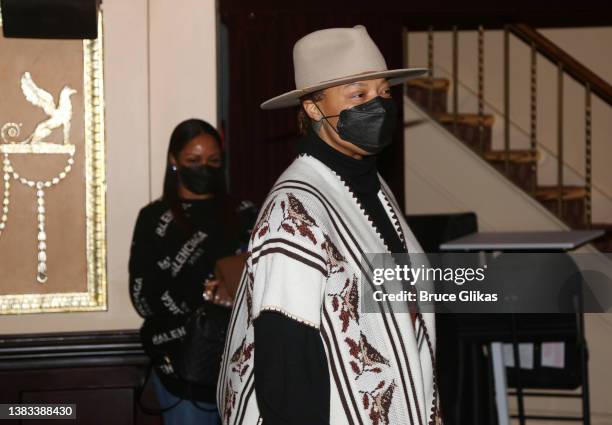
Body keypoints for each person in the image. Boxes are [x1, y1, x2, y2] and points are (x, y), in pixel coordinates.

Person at [217, 25, 441, 425]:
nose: (380, 104)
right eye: (359, 95)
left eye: (384, 92)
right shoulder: (294, 206)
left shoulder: (369, 185)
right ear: (313, 108)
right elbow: (286, 359)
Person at [129, 119, 257, 425]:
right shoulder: (154, 218)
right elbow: (142, 297)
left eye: (213, 161)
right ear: (174, 161)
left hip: (243, 361)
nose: (204, 168)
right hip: (181, 365)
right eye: (194, 161)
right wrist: (206, 293)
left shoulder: (244, 212)